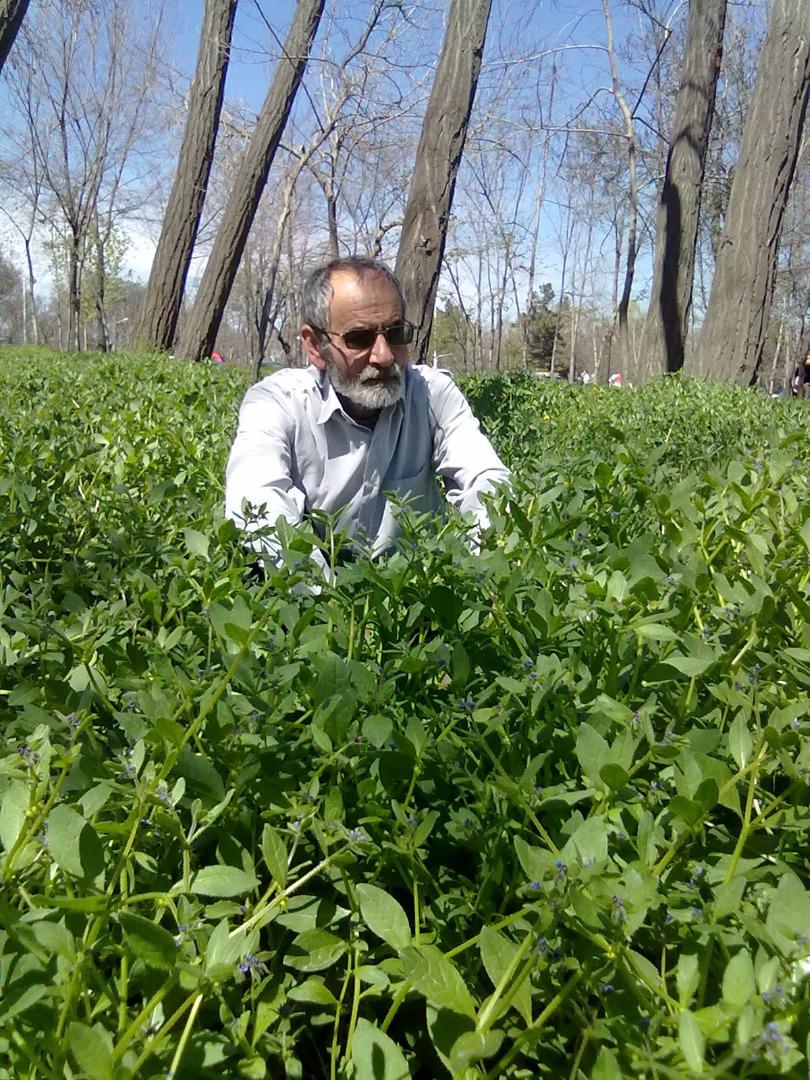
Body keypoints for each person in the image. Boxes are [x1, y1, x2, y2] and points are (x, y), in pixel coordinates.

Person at [225, 257, 510, 571]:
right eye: (358, 339)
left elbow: (488, 480)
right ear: (314, 345)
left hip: (415, 591)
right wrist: (326, 603)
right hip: (313, 597)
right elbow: (257, 503)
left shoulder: (433, 394)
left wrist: (475, 572)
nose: (384, 356)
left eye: (396, 333)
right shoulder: (276, 402)